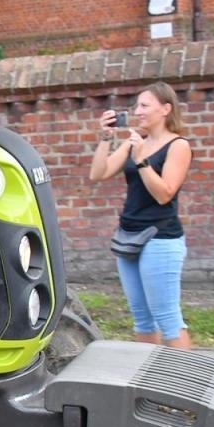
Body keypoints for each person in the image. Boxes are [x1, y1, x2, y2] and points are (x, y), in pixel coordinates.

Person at [87, 81, 194, 348]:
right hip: (129, 236)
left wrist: (142, 160)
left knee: (168, 319)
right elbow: (97, 173)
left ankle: (187, 385)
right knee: (142, 320)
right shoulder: (136, 142)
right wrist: (106, 138)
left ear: (165, 109)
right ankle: (152, 382)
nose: (138, 111)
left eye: (145, 105)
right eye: (137, 106)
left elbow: (164, 194)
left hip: (160, 239)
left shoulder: (178, 146)